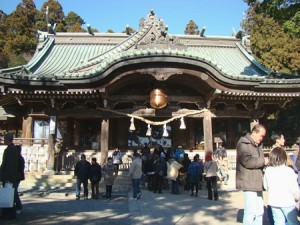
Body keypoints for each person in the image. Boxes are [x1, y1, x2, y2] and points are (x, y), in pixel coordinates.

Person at [236, 124, 269, 225]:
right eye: (261, 135)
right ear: (254, 132)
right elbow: (247, 161)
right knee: (250, 212)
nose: (262, 138)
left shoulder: (258, 145)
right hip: (248, 181)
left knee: (260, 211)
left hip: (258, 181)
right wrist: (263, 161)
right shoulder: (243, 144)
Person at [263, 147, 299, 225]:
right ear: (284, 158)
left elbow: (265, 186)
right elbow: (294, 189)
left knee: (278, 222)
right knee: (293, 222)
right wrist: (297, 197)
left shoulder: (268, 170)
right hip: (287, 202)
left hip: (274, 202)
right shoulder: (289, 171)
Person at [0, 133, 18, 220]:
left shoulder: (10, 150)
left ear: (7, 139)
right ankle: (6, 213)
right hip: (11, 176)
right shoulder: (13, 149)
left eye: (4, 139)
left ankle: (10, 214)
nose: (3, 140)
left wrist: (6, 177)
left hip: (9, 177)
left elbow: (9, 165)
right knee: (9, 195)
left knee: (8, 195)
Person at [15, 145, 25, 214]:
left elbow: (20, 169)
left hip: (17, 177)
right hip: (17, 176)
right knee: (14, 191)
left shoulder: (19, 158)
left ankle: (19, 206)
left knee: (14, 192)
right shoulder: (19, 158)